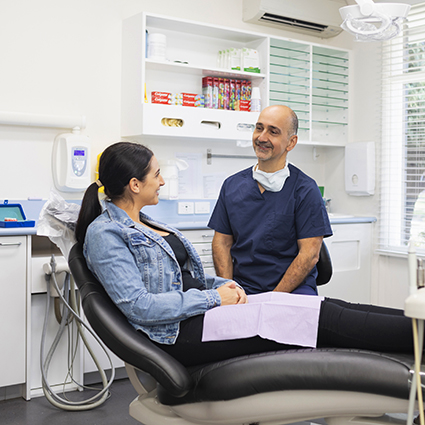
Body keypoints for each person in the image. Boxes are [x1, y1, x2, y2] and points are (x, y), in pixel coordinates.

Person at [75, 141, 414, 368]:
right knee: (318, 323)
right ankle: (417, 340)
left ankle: (418, 325)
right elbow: (140, 306)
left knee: (322, 307)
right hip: (183, 333)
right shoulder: (105, 234)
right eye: (157, 174)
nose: (162, 181)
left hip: (205, 313)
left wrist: (226, 286)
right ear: (135, 185)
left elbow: (184, 276)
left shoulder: (147, 222)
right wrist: (213, 298)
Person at [208, 105, 332, 296]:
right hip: (244, 287)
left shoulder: (305, 189)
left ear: (291, 143)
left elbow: (309, 255)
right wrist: (230, 289)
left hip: (294, 289)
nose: (262, 137)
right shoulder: (232, 186)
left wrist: (274, 298)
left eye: (273, 132)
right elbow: (221, 243)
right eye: (259, 128)